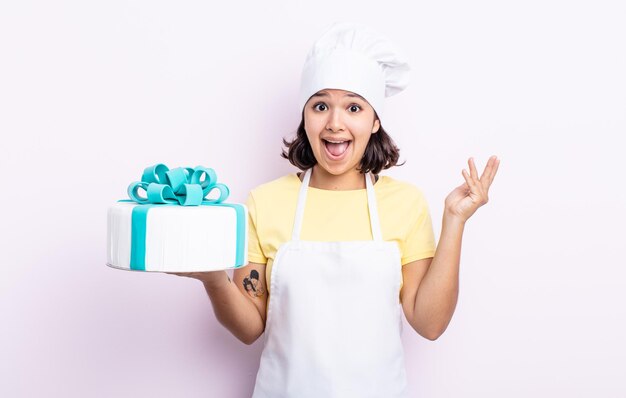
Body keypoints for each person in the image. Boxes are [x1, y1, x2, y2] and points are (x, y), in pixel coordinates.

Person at [172, 21, 500, 397]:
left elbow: (429, 324)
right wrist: (214, 280)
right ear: (305, 117)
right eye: (321, 105)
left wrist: (455, 221)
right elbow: (249, 328)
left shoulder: (405, 204)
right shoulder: (265, 202)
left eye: (354, 107)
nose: (335, 123)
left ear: (375, 121)